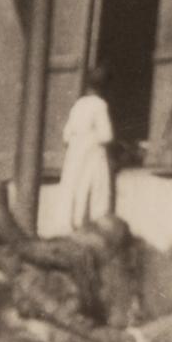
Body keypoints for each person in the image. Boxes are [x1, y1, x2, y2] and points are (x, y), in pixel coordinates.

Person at [59, 68, 115, 232]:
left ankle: (70, 224)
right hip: (92, 153)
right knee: (95, 186)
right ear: (104, 88)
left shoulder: (78, 105)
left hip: (75, 152)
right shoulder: (100, 105)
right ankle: (92, 225)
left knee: (73, 185)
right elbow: (106, 135)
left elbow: (66, 135)